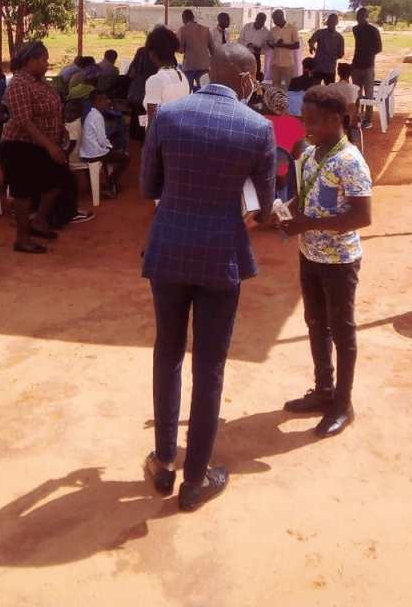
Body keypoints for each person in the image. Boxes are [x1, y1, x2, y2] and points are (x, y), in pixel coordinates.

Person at [140, 45, 276, 512]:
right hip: (221, 256)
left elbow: (148, 186)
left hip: (170, 248)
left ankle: (163, 462)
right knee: (210, 365)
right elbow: (264, 205)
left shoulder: (169, 115)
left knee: (168, 351)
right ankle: (195, 480)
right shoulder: (258, 127)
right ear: (245, 77)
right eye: (254, 78)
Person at [278, 85, 372, 438]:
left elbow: (362, 217)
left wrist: (307, 224)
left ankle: (343, 404)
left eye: (313, 122)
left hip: (339, 261)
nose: (306, 127)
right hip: (310, 255)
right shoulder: (311, 153)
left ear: (336, 119)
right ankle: (323, 390)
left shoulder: (350, 161)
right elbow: (303, 198)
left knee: (342, 331)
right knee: (316, 324)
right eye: (304, 120)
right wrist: (285, 213)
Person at [0, 41, 88, 255]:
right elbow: (24, 121)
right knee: (23, 191)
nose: (47, 64)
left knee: (60, 178)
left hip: (44, 143)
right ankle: (22, 238)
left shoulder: (41, 82)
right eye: (44, 60)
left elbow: (53, 108)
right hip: (20, 145)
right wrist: (51, 147)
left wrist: (60, 128)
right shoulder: (19, 84)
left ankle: (39, 221)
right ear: (30, 61)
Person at [81, 88, 130, 198]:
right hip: (95, 153)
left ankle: (109, 183)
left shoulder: (92, 114)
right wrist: (110, 147)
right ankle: (109, 184)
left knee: (113, 154)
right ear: (96, 101)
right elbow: (102, 139)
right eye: (104, 100)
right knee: (126, 159)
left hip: (89, 151)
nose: (107, 102)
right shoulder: (97, 117)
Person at [143, 25, 189, 128]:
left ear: (153, 54)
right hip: (178, 133)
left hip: (162, 136)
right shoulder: (182, 76)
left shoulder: (155, 81)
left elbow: (152, 124)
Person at [350, 7, 382, 128]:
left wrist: (368, 55)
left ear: (366, 17)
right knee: (357, 95)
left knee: (368, 94)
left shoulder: (373, 30)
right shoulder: (355, 29)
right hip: (356, 65)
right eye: (358, 16)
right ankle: (359, 116)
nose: (360, 19)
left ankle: (368, 119)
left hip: (368, 66)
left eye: (362, 16)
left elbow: (379, 48)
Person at [177, 8, 215, 91]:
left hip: (189, 66)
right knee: (204, 90)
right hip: (204, 66)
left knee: (187, 90)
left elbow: (180, 50)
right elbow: (213, 50)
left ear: (183, 19)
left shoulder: (183, 30)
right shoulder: (206, 29)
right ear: (193, 17)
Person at [266, 8, 300, 90]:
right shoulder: (273, 30)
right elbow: (272, 46)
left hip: (288, 64)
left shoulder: (292, 28)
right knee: (275, 87)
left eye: (275, 19)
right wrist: (270, 44)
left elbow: (297, 45)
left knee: (290, 86)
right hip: (275, 64)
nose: (274, 22)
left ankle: (288, 99)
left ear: (281, 18)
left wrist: (283, 45)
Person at [308, 14, 345, 85]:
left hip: (330, 68)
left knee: (329, 90)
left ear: (336, 23)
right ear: (327, 22)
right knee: (315, 89)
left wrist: (331, 56)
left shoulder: (340, 37)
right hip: (318, 67)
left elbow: (341, 54)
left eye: (333, 21)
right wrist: (312, 46)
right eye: (330, 21)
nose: (331, 23)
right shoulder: (319, 32)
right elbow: (311, 41)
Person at [238, 11, 270, 79]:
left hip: (256, 56)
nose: (261, 23)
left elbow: (266, 48)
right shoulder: (247, 27)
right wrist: (247, 45)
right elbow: (240, 40)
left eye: (263, 22)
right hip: (244, 55)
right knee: (243, 75)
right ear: (256, 19)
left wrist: (260, 50)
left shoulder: (266, 32)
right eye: (259, 21)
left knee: (255, 76)